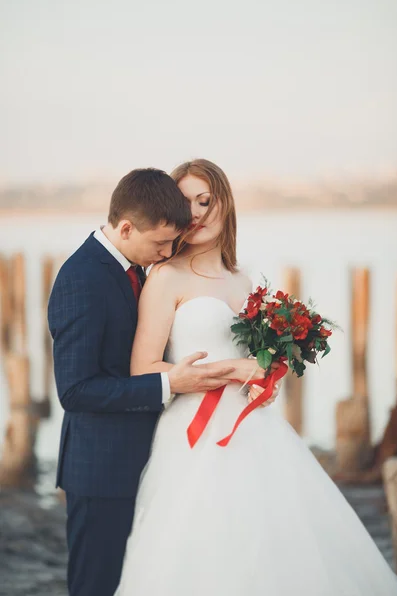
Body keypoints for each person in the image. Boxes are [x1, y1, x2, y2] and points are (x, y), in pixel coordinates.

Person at [115, 159, 397, 595]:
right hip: (196, 436)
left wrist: (267, 376)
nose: (194, 213)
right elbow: (144, 370)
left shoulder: (241, 278)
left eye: (204, 200)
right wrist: (230, 370)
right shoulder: (165, 278)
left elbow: (252, 358)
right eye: (184, 202)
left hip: (256, 431)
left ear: (225, 203)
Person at [48, 168, 268, 596]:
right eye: (161, 243)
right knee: (97, 583)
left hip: (157, 456)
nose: (168, 251)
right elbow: (75, 390)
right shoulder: (82, 278)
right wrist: (171, 384)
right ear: (127, 227)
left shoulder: (136, 269)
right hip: (102, 468)